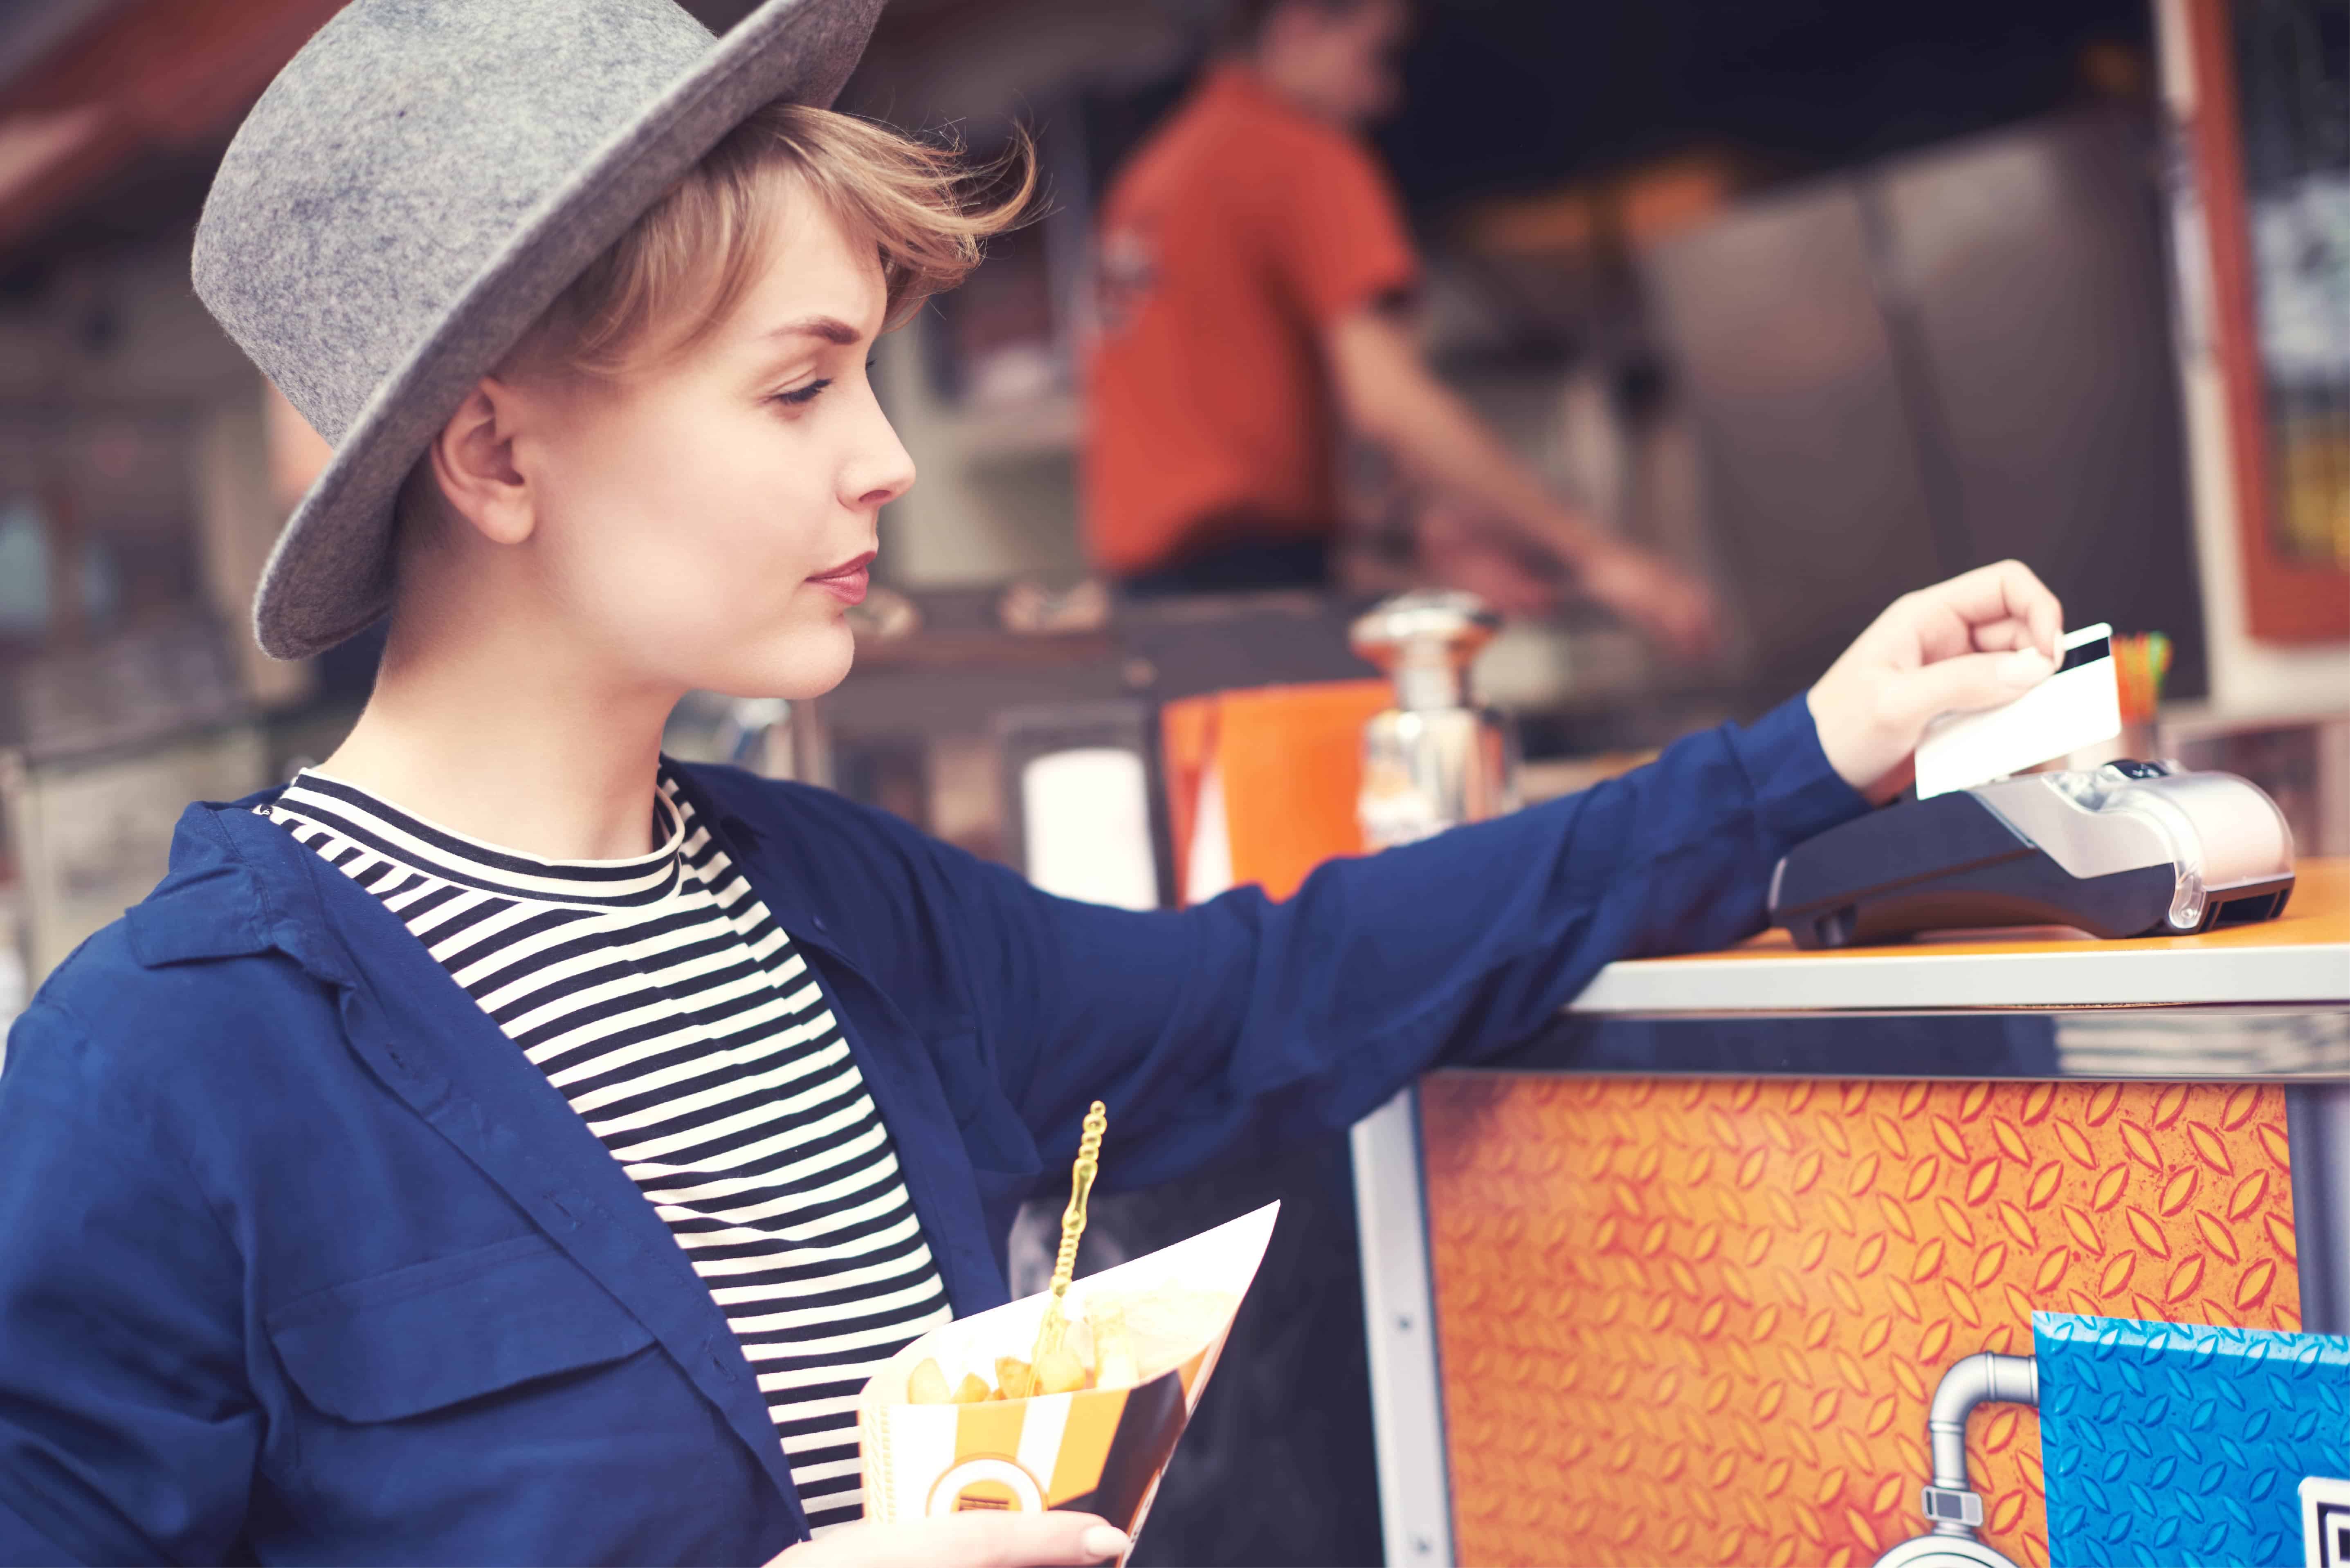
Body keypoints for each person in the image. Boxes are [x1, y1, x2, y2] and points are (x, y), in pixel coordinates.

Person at [0, 0, 2065, 1563]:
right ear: (498, 456)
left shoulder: (843, 914)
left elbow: (1291, 987)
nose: (886, 458)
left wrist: (1799, 759)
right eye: (802, 383)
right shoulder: (166, 1070)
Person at [1085, 0, 1719, 655]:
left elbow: (1223, 428)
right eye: (1375, 55)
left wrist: (1426, 531)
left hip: (1148, 611)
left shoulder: (1153, 176)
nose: (1383, 96)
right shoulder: (1295, 150)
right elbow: (1389, 400)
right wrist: (1601, 558)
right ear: (1300, 24)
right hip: (1258, 602)